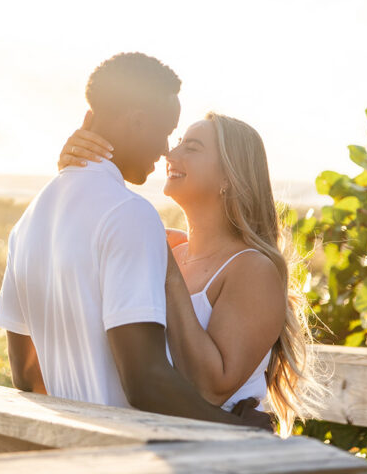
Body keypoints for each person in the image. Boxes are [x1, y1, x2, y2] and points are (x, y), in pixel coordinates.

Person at [0, 52, 264, 426]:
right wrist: (241, 428)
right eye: (168, 130)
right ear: (138, 122)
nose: (167, 148)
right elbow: (144, 381)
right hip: (135, 453)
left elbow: (26, 374)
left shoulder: (27, 222)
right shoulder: (130, 215)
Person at [59, 111, 321, 436]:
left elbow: (212, 389)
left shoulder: (253, 268)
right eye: (178, 142)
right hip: (157, 437)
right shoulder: (167, 245)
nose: (170, 153)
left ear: (229, 177)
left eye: (192, 147)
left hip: (226, 452)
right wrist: (77, 172)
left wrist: (168, 272)